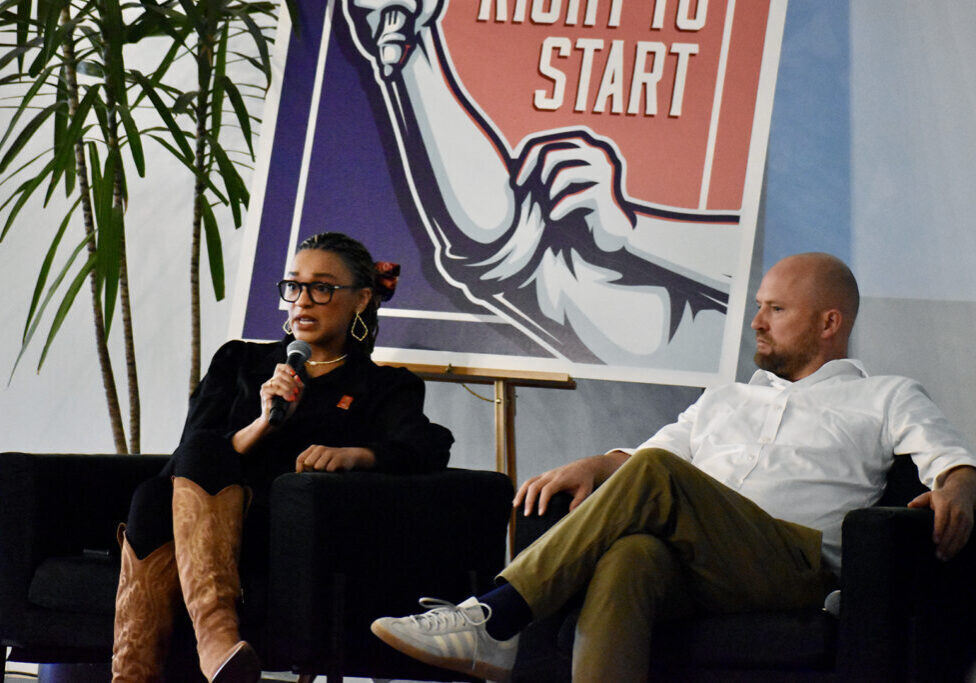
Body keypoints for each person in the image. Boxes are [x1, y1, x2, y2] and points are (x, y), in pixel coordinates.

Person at [368, 252, 976, 681]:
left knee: (659, 473)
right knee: (633, 556)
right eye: (758, 307)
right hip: (702, 564)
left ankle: (499, 616)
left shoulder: (885, 395)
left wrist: (960, 487)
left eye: (775, 309)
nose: (756, 322)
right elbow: (645, 456)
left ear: (829, 323)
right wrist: (598, 462)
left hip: (794, 568)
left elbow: (951, 460)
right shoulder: (724, 399)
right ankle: (509, 630)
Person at [111, 232, 453, 682]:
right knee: (167, 486)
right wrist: (262, 425)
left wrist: (357, 455)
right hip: (203, 531)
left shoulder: (385, 386)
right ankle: (216, 638)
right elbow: (187, 458)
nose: (303, 300)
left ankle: (164, 663)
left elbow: (429, 445)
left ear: (361, 298)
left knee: (153, 500)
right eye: (294, 286)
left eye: (322, 288)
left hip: (285, 539)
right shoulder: (238, 361)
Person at [341, 0, 739, 366]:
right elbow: (498, 238)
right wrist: (408, 46)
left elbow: (755, 277)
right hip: (670, 321)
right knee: (541, 255)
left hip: (710, 346)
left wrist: (629, 230)